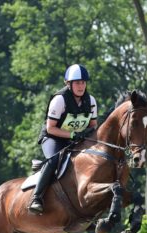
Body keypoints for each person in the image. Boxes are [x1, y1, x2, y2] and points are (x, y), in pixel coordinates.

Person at [28, 64, 98, 214]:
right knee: (55, 159)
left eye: (83, 82)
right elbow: (50, 128)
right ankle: (36, 198)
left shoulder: (90, 101)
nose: (81, 86)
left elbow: (93, 126)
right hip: (53, 138)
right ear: (69, 84)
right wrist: (73, 134)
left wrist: (87, 136)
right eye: (77, 82)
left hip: (75, 140)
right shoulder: (60, 100)